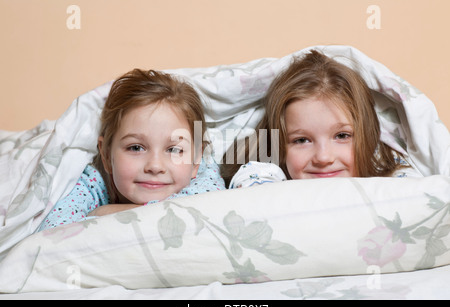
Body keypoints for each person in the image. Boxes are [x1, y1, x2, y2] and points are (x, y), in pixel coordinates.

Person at [37, 69, 225, 231]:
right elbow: (54, 232)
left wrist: (105, 212)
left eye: (174, 150)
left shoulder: (205, 172)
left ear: (196, 159)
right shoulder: (92, 180)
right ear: (105, 154)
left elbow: (204, 210)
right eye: (136, 147)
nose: (155, 166)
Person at [221, 50, 409, 188]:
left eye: (342, 135)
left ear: (368, 136)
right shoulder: (264, 177)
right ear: (278, 147)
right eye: (301, 140)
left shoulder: (392, 181)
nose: (323, 157)